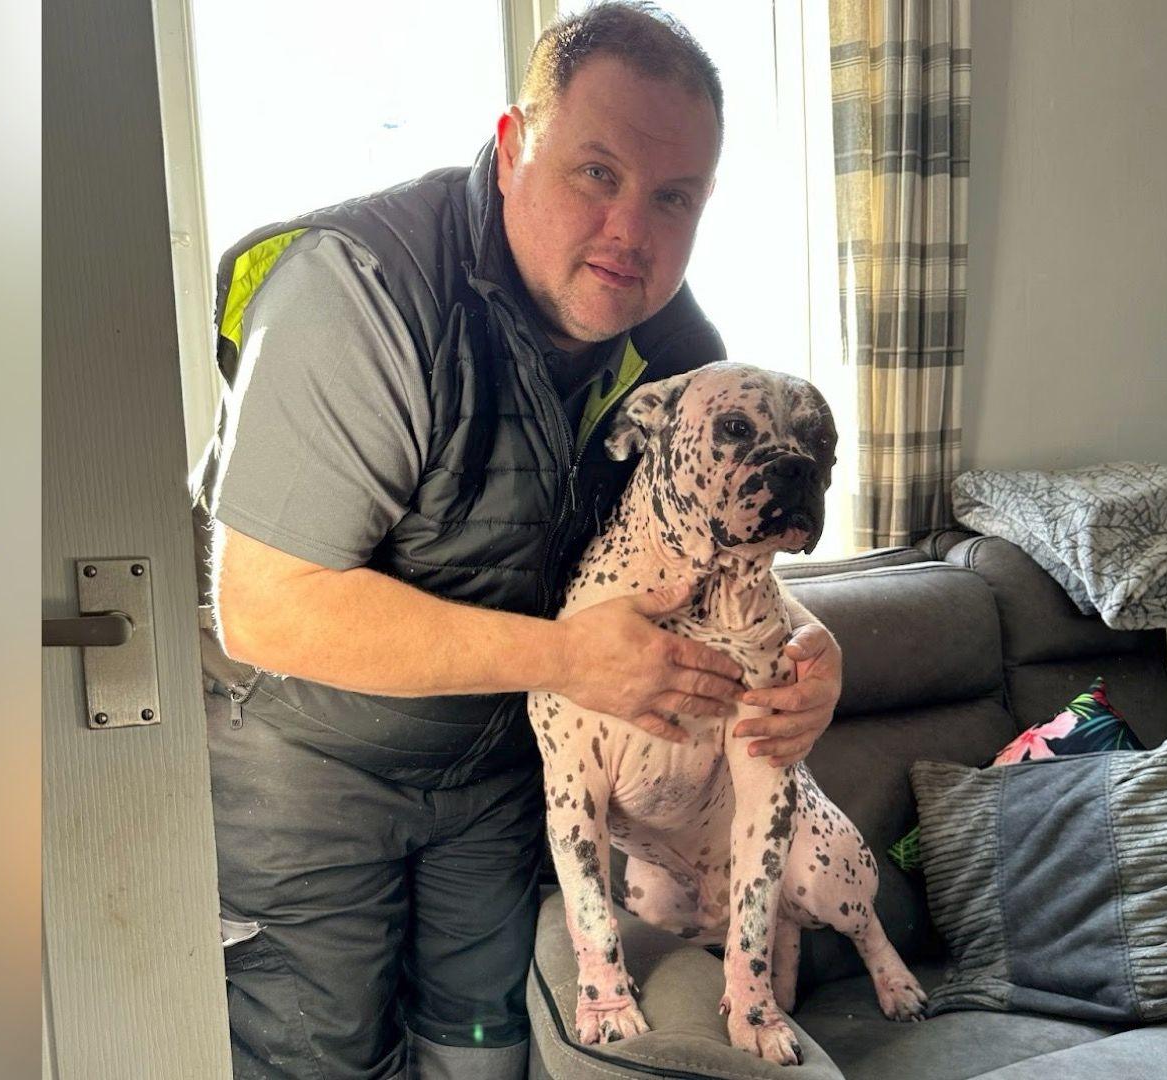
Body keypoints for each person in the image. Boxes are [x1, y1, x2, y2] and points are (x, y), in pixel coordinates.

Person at [188, 5, 844, 1077]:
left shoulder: (677, 351)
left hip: (495, 769)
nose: (633, 229)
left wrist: (820, 655)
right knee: (319, 1055)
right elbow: (268, 605)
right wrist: (568, 658)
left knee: (485, 1054)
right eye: (597, 173)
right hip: (309, 762)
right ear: (510, 149)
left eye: (672, 197)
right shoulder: (357, 291)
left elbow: (720, 549)